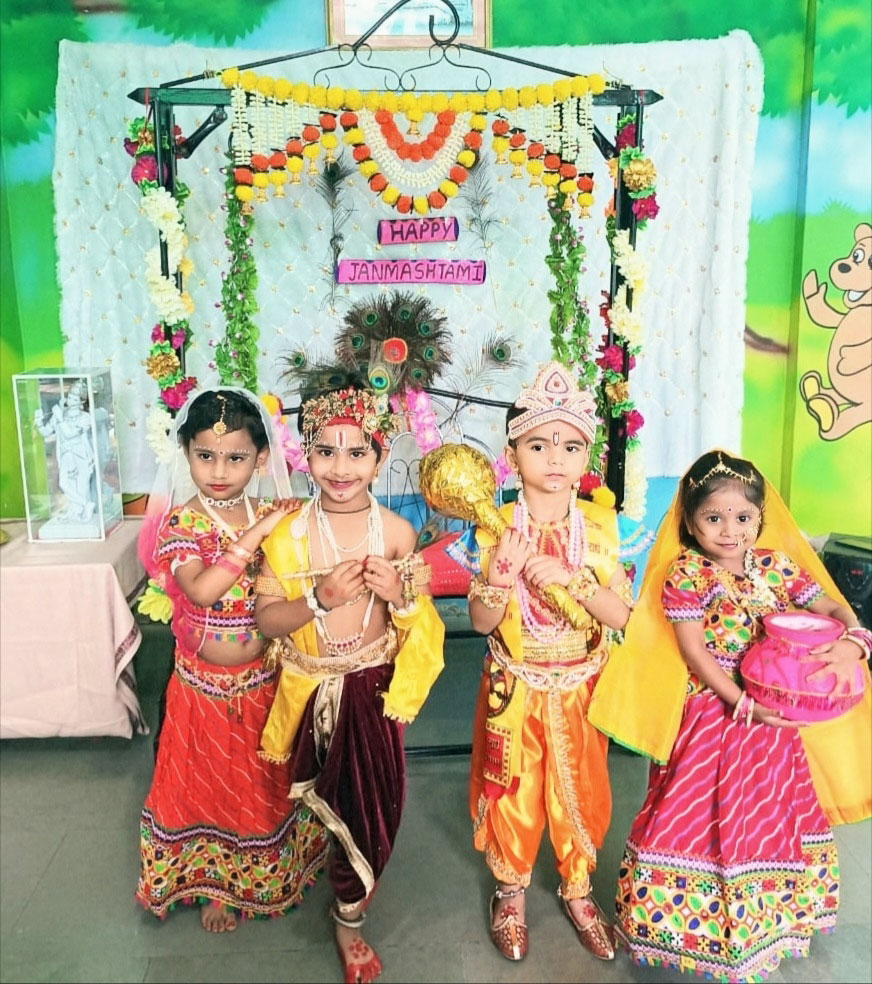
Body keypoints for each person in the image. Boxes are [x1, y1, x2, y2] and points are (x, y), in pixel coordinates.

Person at [587, 449, 872, 982]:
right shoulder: (687, 573)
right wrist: (740, 702)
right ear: (690, 522)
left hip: (775, 724)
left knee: (767, 819)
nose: (730, 530)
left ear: (760, 519)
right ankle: (688, 932)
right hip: (713, 717)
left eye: (743, 518)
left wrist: (854, 641)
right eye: (713, 518)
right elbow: (694, 651)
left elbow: (832, 608)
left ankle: (760, 929)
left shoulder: (777, 567)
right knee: (695, 816)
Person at [255, 378, 445, 984]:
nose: (341, 467)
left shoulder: (395, 533)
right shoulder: (285, 535)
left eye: (357, 451)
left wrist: (401, 597)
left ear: (380, 456)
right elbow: (264, 621)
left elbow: (415, 623)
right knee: (317, 801)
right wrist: (318, 597)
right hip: (307, 687)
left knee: (374, 811)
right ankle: (336, 900)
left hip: (371, 687)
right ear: (304, 455)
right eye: (326, 451)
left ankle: (349, 914)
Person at [135, 387, 329, 932]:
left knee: (262, 781)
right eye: (205, 455)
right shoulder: (183, 525)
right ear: (187, 454)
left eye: (236, 457)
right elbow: (200, 590)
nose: (218, 470)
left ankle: (261, 872)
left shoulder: (273, 512)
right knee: (209, 784)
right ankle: (217, 883)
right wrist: (257, 532)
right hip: (204, 688)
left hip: (266, 677)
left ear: (262, 458)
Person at [460, 361, 634, 963]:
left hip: (584, 685)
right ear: (513, 456)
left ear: (587, 459)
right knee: (513, 788)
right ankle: (510, 892)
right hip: (516, 685)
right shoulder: (494, 529)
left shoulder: (602, 527)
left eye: (570, 445)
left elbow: (623, 619)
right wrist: (502, 575)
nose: (555, 457)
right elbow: (483, 623)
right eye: (538, 444)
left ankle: (580, 889)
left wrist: (576, 582)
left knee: (584, 791)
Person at [34, 379, 97, 521]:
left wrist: (60, 418)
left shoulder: (84, 417)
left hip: (81, 455)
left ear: (81, 402)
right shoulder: (61, 414)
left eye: (75, 398)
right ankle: (84, 505)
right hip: (65, 455)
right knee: (64, 483)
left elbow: (70, 434)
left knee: (82, 486)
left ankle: (80, 511)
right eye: (69, 397)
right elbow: (46, 432)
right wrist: (38, 422)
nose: (71, 400)